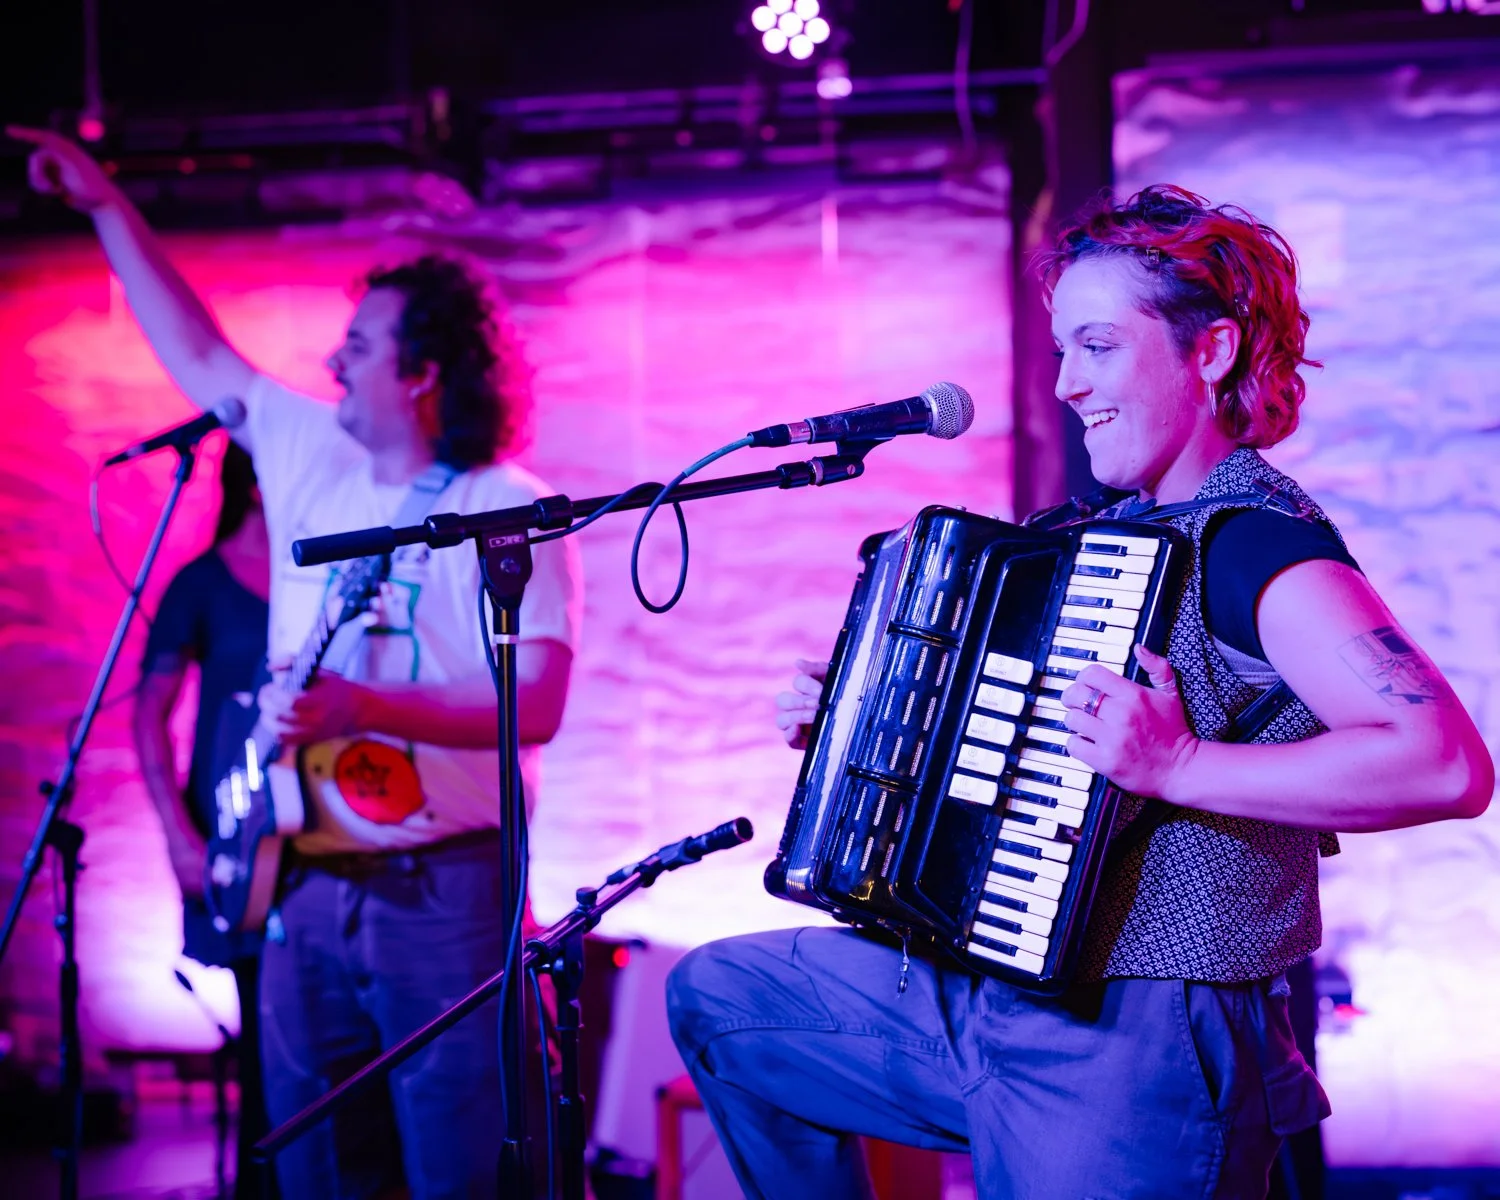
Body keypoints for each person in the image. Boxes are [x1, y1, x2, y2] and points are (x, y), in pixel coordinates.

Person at [666, 185, 1495, 1199]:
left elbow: (1443, 762)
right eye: (1064, 352)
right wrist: (859, 718)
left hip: (1138, 1032)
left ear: (1212, 352)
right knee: (727, 999)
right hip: (985, 993)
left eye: (1096, 347)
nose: (1065, 384)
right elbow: (1021, 760)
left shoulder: (1252, 543)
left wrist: (1180, 763)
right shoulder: (1097, 542)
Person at [13, 126, 583, 1200]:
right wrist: (102, 204)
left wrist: (364, 703)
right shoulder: (309, 455)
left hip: (446, 885)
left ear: (421, 373)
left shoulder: (509, 506)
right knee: (313, 1164)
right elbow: (196, 352)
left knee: (455, 1162)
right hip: (302, 876)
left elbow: (538, 704)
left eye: (360, 345)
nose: (333, 361)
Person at [133, 439, 274, 1200]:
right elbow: (148, 713)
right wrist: (176, 836)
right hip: (232, 833)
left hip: (317, 827)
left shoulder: (318, 570)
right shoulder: (201, 584)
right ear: (257, 484)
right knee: (261, 1035)